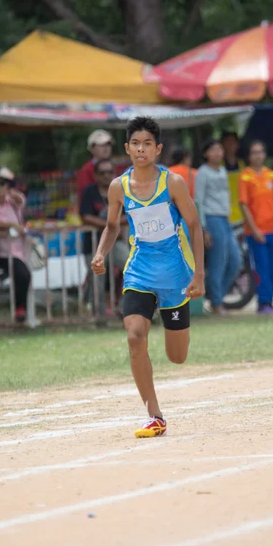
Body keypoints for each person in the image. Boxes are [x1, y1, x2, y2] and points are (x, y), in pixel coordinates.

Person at [91, 116, 204, 438]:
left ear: (158, 149)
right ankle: (155, 415)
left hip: (176, 276)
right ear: (127, 149)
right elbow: (113, 226)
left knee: (177, 357)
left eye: (148, 144)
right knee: (135, 336)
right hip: (139, 272)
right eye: (136, 144)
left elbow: (194, 226)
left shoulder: (173, 184)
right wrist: (100, 253)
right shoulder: (119, 187)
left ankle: (177, 332)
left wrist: (199, 275)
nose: (141, 150)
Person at [195, 139, 242, 315]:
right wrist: (203, 229)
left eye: (220, 149)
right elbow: (198, 200)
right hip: (211, 218)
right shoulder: (202, 173)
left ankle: (216, 296)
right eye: (213, 150)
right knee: (218, 262)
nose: (218, 153)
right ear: (206, 153)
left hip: (225, 219)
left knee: (236, 261)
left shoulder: (223, 170)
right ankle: (217, 303)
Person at [80, 158, 130, 318]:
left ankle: (125, 307)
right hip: (94, 244)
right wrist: (109, 224)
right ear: (95, 175)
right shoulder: (89, 192)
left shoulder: (120, 190)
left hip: (116, 241)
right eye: (103, 172)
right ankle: (99, 315)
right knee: (97, 277)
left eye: (110, 172)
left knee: (131, 267)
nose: (107, 175)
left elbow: (129, 214)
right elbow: (85, 216)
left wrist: (110, 225)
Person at [239, 141, 273, 315]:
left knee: (272, 268)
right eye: (254, 152)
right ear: (249, 156)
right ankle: (263, 303)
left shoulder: (271, 174)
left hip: (272, 228)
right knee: (261, 268)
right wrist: (254, 229)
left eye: (261, 152)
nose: (258, 155)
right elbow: (244, 204)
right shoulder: (245, 177)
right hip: (255, 231)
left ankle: (269, 301)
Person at [0, 168, 31, 322]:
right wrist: (11, 225)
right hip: (0, 251)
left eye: (2, 184)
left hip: (19, 248)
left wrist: (12, 191)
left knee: (22, 277)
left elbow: (21, 201)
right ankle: (20, 309)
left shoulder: (11, 201)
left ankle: (21, 310)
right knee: (23, 275)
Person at [76, 129, 114, 204]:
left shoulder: (112, 166)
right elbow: (85, 197)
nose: (106, 148)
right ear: (92, 149)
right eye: (101, 145)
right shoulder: (86, 170)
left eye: (108, 144)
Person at [221, 131, 245, 224]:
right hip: (226, 213)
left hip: (242, 212)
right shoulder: (218, 167)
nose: (231, 145)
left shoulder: (242, 164)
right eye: (228, 142)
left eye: (233, 142)